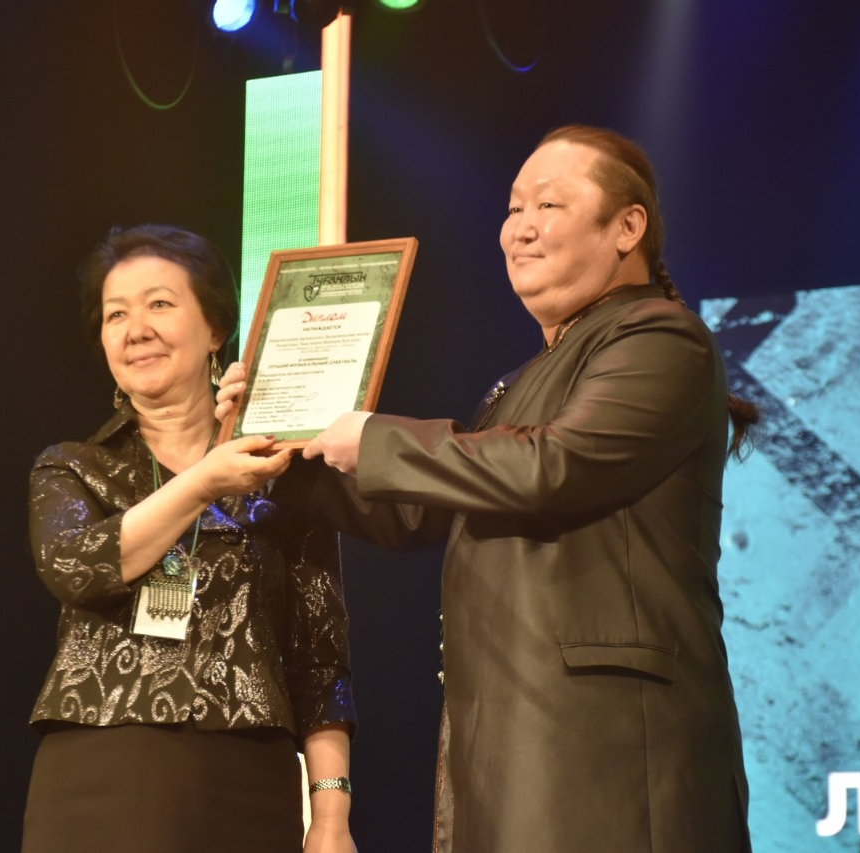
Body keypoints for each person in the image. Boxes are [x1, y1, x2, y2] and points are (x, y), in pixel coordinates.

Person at [218, 125, 756, 852]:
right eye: (513, 208)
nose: (520, 228)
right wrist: (277, 447)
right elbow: (416, 513)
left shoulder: (662, 339)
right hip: (510, 742)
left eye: (548, 205)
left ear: (627, 227)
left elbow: (550, 466)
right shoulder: (527, 378)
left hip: (612, 751)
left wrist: (373, 438)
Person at [23, 224, 357, 853]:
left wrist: (331, 815)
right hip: (102, 773)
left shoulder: (282, 472)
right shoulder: (72, 466)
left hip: (248, 781)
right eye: (115, 314)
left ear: (216, 329)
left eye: (159, 304)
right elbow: (76, 567)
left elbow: (320, 660)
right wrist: (204, 482)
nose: (135, 329)